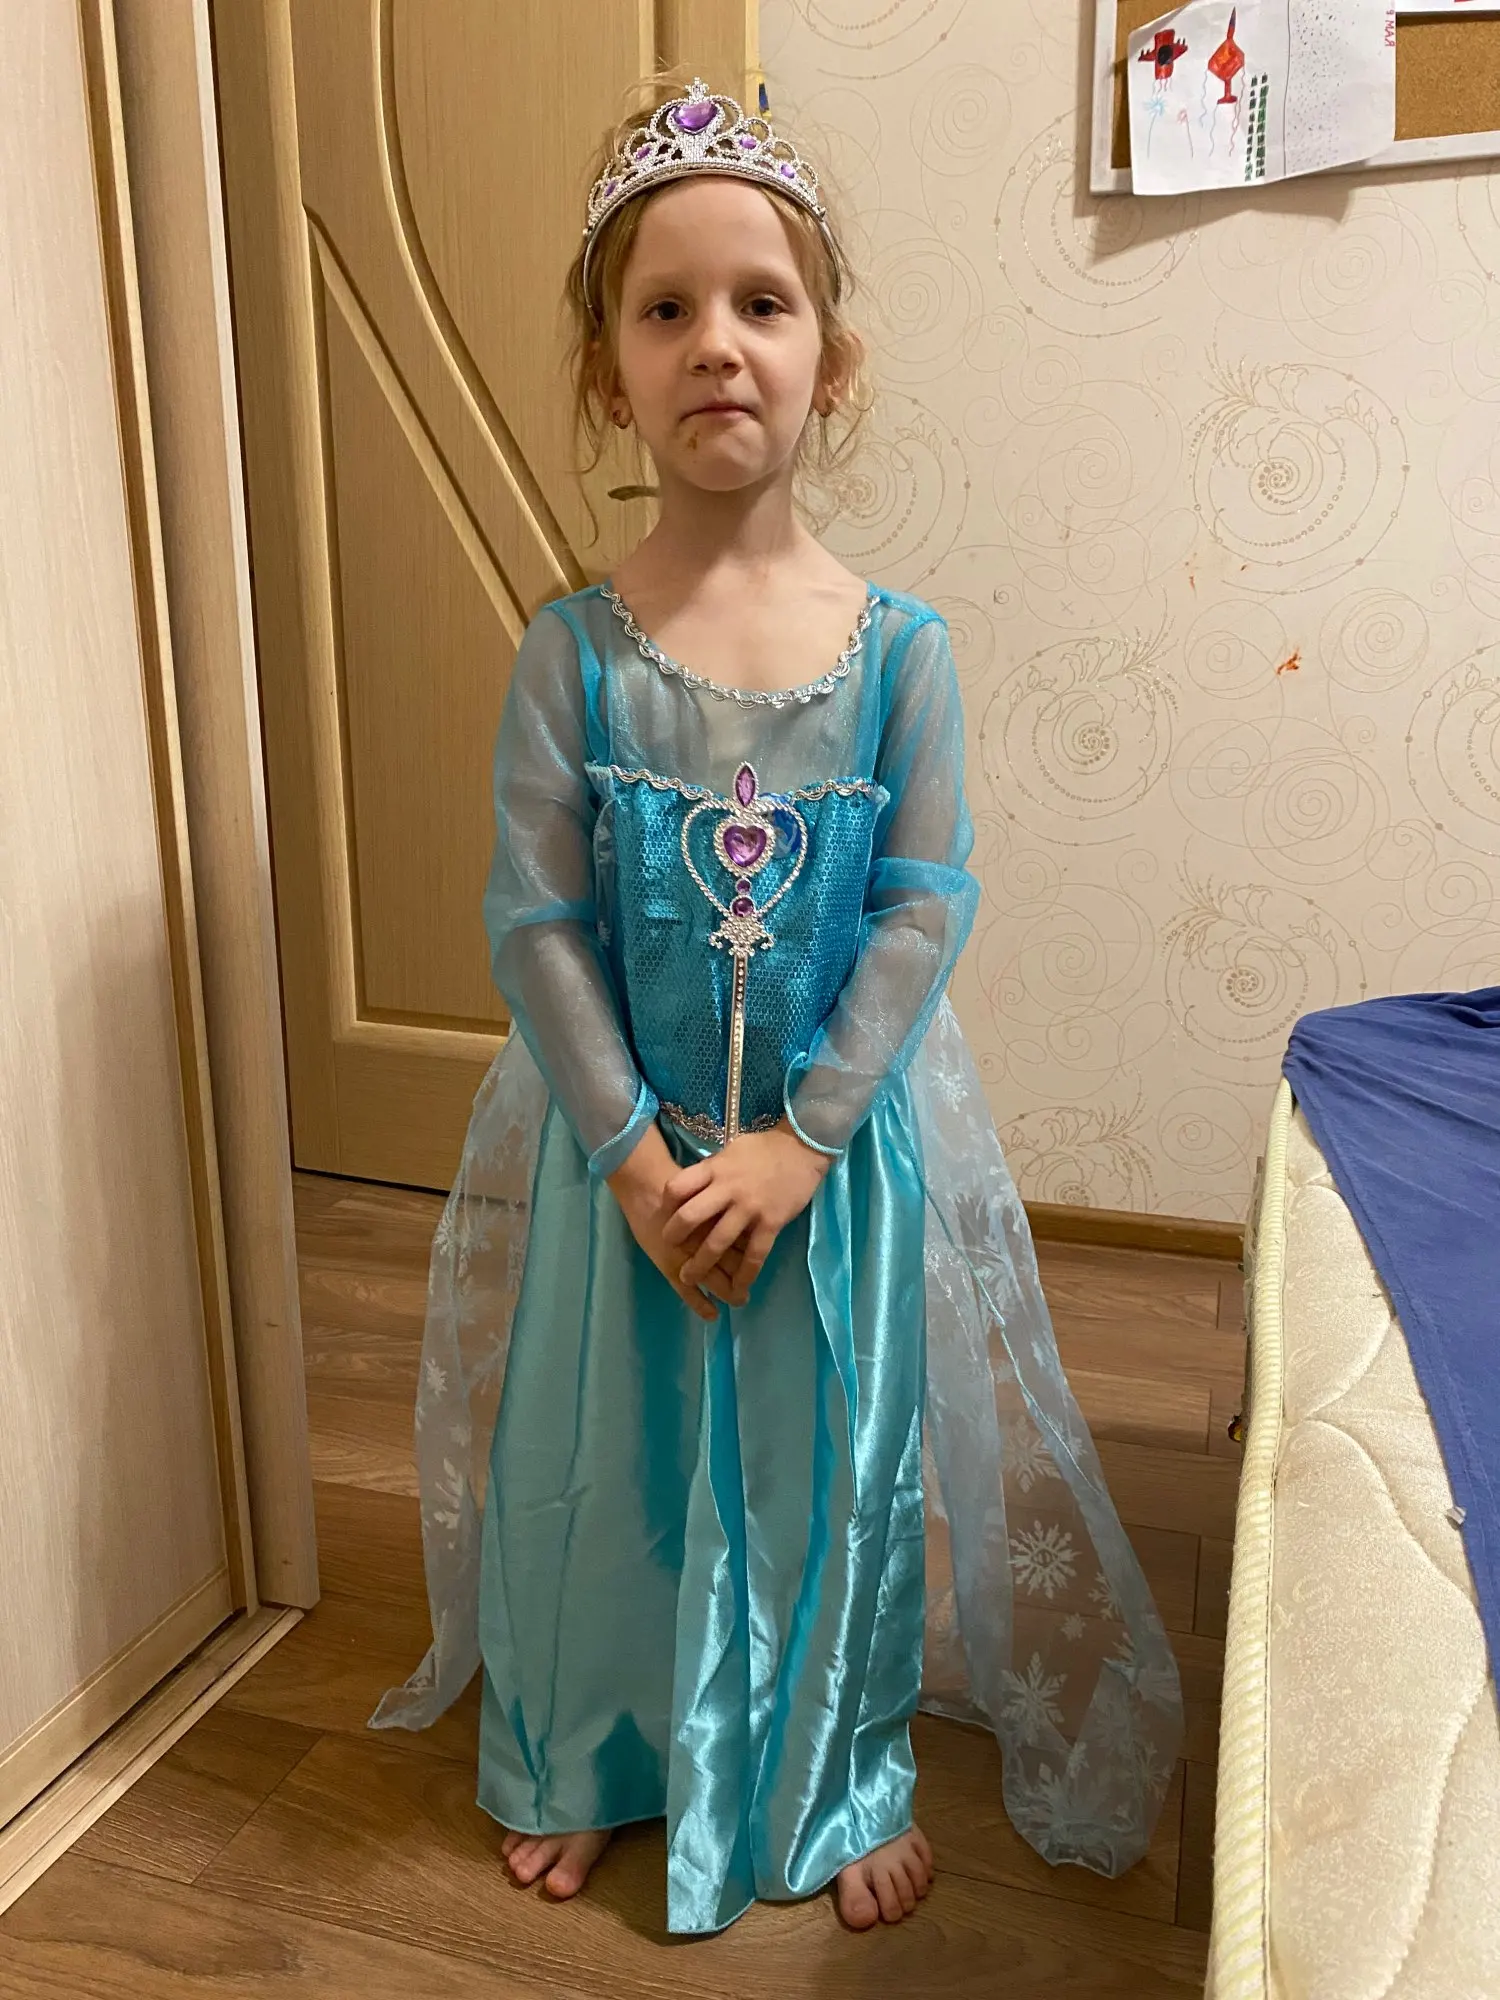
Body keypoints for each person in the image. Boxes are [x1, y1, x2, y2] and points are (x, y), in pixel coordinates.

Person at [373, 76, 1182, 1937]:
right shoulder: (572, 654)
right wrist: (634, 1158)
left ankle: (830, 1763)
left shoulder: (902, 655)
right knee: (602, 1463)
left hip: (828, 1166)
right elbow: (536, 919)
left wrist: (805, 1142)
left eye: (762, 303)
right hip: (625, 1159)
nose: (717, 345)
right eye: (665, 310)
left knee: (831, 1469)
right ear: (609, 375)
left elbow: (923, 901)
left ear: (834, 358)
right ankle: (593, 1747)